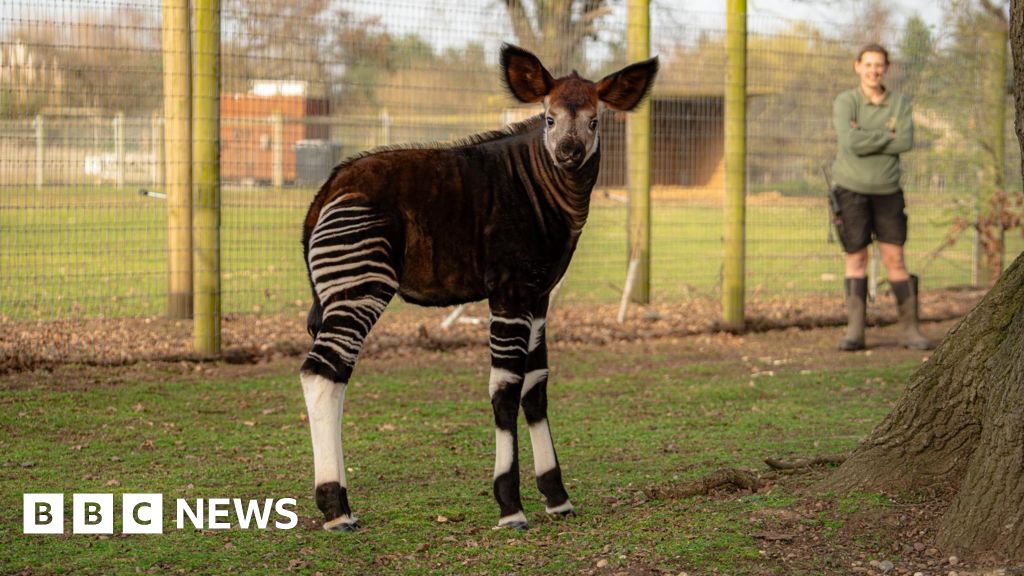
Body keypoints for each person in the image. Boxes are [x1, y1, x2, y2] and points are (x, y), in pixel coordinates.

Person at [831, 43, 934, 351]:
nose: (873, 70)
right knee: (857, 258)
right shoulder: (845, 101)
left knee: (895, 259)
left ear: (886, 68)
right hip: (851, 189)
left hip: (888, 191)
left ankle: (910, 331)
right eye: (868, 64)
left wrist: (865, 135)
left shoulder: (900, 103)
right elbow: (850, 143)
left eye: (879, 65)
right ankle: (855, 332)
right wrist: (884, 137)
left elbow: (905, 140)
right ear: (857, 66)